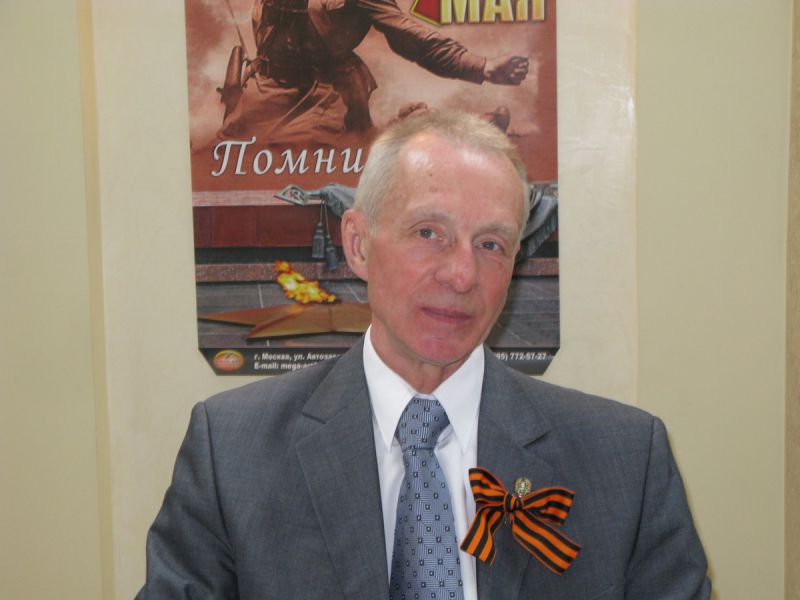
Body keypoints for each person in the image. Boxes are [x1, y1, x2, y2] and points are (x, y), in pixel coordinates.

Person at [138, 110, 711, 599]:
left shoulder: (627, 460)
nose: (462, 275)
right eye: (429, 233)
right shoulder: (232, 452)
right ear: (358, 244)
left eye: (491, 244)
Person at [218, 0, 529, 144]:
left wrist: (482, 66)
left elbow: (412, 38)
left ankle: (460, 131)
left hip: (324, 97)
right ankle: (408, 126)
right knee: (228, 150)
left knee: (307, 155)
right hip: (265, 89)